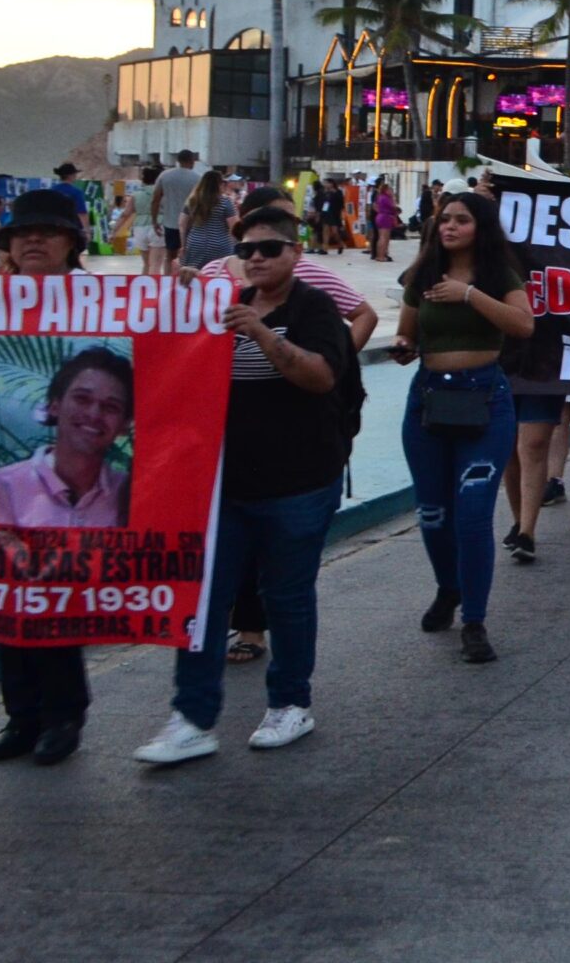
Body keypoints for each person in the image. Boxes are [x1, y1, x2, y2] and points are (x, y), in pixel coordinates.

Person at [136, 203, 357, 765]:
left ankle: (290, 703)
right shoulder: (221, 304)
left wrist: (261, 333)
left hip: (299, 481)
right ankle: (191, 718)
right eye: (246, 250)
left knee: (286, 596)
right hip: (221, 484)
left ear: (295, 254)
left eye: (269, 249)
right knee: (206, 600)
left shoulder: (314, 307)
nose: (255, 258)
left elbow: (320, 377)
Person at [0, 189, 114, 767]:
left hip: (76, 478)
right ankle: (20, 718)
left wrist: (187, 295)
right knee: (7, 597)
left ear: (71, 245)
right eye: (21, 234)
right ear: (6, 244)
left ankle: (63, 717)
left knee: (57, 598)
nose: (32, 241)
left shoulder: (106, 300)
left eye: (47, 233)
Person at [390, 191, 533, 657]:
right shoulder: (424, 276)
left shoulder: (498, 275)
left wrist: (469, 295)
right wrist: (402, 345)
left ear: (481, 227)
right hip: (429, 401)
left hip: (485, 400)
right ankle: (447, 588)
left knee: (472, 516)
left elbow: (523, 324)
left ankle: (475, 619)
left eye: (461, 220)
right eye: (444, 219)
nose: (449, 227)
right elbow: (407, 332)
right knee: (432, 512)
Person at [0, 347, 134, 529]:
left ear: (124, 425)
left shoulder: (131, 494)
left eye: (110, 407)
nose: (94, 414)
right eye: (82, 399)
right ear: (54, 406)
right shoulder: (1, 486)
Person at [180, 168, 235, 268]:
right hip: (220, 245)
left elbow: (182, 224)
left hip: (195, 243)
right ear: (218, 184)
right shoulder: (225, 202)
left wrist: (183, 245)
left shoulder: (192, 201)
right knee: (217, 276)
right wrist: (232, 243)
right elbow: (234, 226)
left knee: (194, 276)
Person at [152, 149, 199, 263]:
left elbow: (155, 200)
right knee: (189, 256)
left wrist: (154, 221)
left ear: (178, 160)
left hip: (170, 222)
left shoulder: (165, 175)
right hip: (191, 224)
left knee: (170, 256)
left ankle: (169, 279)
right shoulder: (197, 178)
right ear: (192, 161)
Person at [370, 179, 400, 263]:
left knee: (381, 237)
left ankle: (379, 255)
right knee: (384, 238)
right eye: (390, 189)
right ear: (386, 190)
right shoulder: (386, 198)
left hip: (380, 216)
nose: (391, 191)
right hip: (385, 217)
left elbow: (376, 206)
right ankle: (381, 256)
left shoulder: (379, 197)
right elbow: (393, 207)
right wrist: (393, 198)